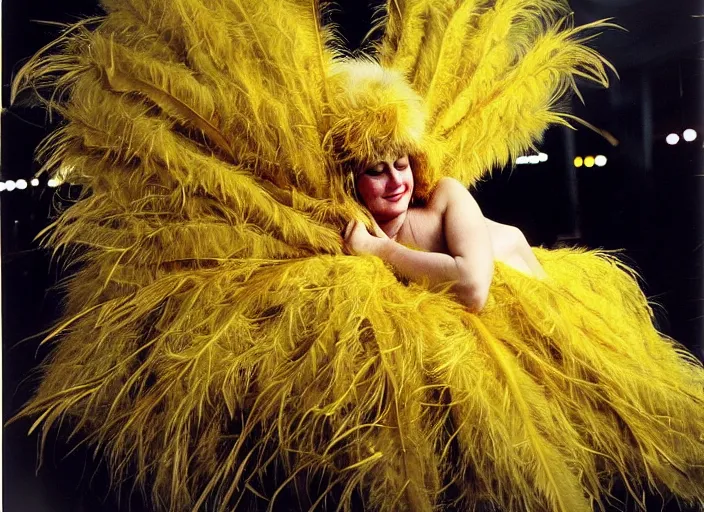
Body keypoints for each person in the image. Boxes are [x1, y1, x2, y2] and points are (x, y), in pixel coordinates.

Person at [343, 153, 547, 312]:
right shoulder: (351, 228)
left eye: (401, 165)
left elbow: (473, 289)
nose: (396, 181)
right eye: (376, 171)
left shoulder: (444, 194)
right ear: (351, 181)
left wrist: (378, 248)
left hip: (534, 295)